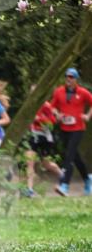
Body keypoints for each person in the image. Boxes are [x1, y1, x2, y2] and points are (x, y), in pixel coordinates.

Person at [51, 68, 92, 197]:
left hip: (78, 128)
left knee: (69, 155)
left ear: (76, 79)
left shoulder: (83, 92)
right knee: (75, 157)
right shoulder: (58, 92)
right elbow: (52, 107)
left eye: (71, 77)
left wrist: (88, 116)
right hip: (64, 128)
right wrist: (57, 115)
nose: (68, 79)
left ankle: (64, 185)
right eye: (66, 76)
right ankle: (87, 179)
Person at [23, 95, 61, 197]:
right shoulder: (29, 105)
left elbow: (52, 122)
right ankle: (29, 190)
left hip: (45, 137)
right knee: (29, 163)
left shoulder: (46, 105)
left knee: (47, 164)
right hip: (33, 136)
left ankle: (63, 175)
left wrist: (39, 119)